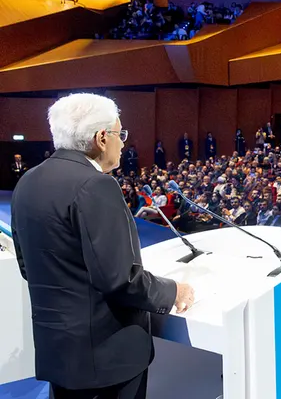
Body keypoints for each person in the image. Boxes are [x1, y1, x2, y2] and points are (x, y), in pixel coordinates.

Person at [11, 94, 194, 399]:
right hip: (106, 359)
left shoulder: (28, 181)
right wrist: (174, 290)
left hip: (58, 352)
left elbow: (28, 267)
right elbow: (120, 280)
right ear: (101, 138)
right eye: (120, 134)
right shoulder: (96, 185)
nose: (123, 143)